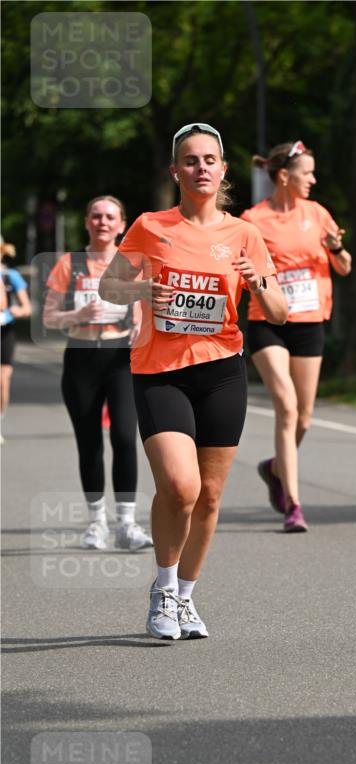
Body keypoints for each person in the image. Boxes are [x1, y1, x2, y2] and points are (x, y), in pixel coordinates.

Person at [99, 123, 287, 640]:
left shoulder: (245, 234)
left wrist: (257, 282)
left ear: (223, 169)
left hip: (222, 370)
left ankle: (185, 597)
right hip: (159, 370)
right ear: (175, 170)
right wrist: (142, 290)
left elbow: (280, 310)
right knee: (180, 486)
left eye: (209, 159)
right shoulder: (150, 226)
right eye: (190, 160)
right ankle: (161, 589)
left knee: (209, 496)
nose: (200, 168)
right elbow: (109, 286)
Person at [241, 140, 351, 532]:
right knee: (286, 409)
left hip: (309, 322)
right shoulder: (253, 219)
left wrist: (337, 249)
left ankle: (274, 468)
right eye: (308, 173)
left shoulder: (318, 214)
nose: (314, 180)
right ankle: (294, 505)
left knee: (303, 417)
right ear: (284, 177)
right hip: (268, 322)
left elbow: (344, 266)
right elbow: (240, 272)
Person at [44, 197, 153, 551]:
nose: (102, 221)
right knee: (89, 443)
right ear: (87, 222)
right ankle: (96, 524)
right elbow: (48, 317)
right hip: (81, 359)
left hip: (121, 358)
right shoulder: (69, 264)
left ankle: (127, 524)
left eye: (110, 216)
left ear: (122, 225)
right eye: (96, 215)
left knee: (124, 436)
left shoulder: (132, 263)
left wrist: (141, 328)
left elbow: (147, 307)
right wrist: (76, 316)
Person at [1, 241, 32, 440]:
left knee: (3, 381)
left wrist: (15, 311)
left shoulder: (11, 276)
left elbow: (27, 308)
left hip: (5, 332)